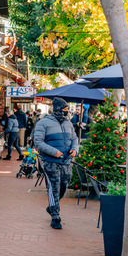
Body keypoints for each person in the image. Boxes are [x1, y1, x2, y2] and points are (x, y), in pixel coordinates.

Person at [33, 97, 78, 229]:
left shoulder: (68, 123)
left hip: (66, 162)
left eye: (67, 110)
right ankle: (55, 216)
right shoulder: (43, 123)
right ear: (58, 110)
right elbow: (38, 142)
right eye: (64, 109)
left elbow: (74, 138)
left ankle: (52, 207)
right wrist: (54, 152)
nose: (67, 112)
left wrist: (75, 149)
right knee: (53, 188)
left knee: (64, 186)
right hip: (50, 161)